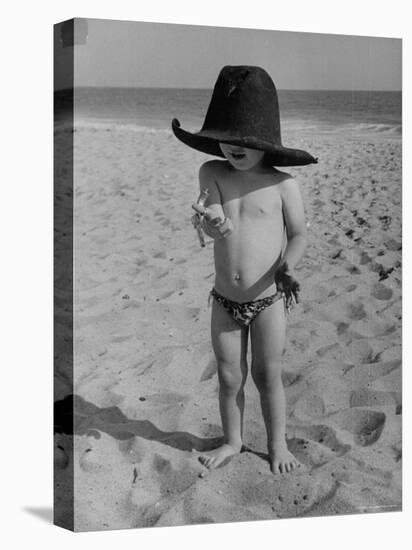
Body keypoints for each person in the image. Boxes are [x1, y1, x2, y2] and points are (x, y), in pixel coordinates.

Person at [171, 66, 317, 474]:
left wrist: (288, 265)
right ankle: (233, 441)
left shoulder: (283, 184)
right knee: (229, 375)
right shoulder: (211, 172)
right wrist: (213, 222)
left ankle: (277, 445)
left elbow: (300, 233)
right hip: (224, 300)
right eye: (227, 137)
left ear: (266, 143)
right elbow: (213, 214)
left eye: (244, 140)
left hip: (268, 298)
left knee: (268, 375)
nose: (233, 147)